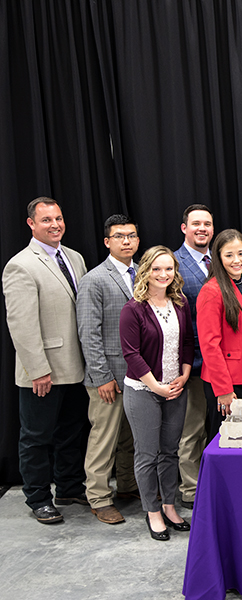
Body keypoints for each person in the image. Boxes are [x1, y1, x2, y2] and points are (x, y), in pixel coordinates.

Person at [3, 197, 89, 524]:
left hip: (75, 366)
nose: (54, 224)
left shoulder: (75, 257)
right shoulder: (21, 264)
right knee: (37, 437)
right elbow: (22, 325)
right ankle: (38, 497)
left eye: (58, 218)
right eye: (46, 220)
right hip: (44, 371)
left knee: (71, 431)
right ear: (31, 224)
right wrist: (38, 370)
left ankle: (68, 486)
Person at [119, 246, 193, 540]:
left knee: (170, 452)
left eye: (169, 269)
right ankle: (152, 511)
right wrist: (156, 386)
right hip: (143, 390)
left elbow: (188, 342)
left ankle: (169, 505)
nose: (163, 275)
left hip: (176, 387)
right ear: (145, 271)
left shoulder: (180, 303)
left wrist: (185, 375)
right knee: (147, 454)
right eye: (157, 269)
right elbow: (132, 354)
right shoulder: (133, 309)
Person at [75, 214, 141, 525]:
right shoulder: (94, 279)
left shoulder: (142, 273)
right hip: (108, 376)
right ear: (107, 242)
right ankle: (99, 498)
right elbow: (89, 332)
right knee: (104, 438)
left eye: (131, 236)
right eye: (119, 236)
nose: (126, 241)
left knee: (130, 436)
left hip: (137, 375)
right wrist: (101, 377)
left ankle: (127, 486)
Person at [197, 230, 242, 442]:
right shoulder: (211, 291)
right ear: (218, 257)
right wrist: (223, 389)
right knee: (226, 441)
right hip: (226, 381)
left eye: (241, 254)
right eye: (229, 255)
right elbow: (209, 346)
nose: (237, 260)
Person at [172, 204, 213, 508]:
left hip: (221, 360)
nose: (202, 229)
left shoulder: (220, 260)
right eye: (196, 224)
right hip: (193, 361)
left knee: (215, 427)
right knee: (192, 428)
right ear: (184, 228)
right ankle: (190, 490)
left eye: (207, 224)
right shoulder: (173, 263)